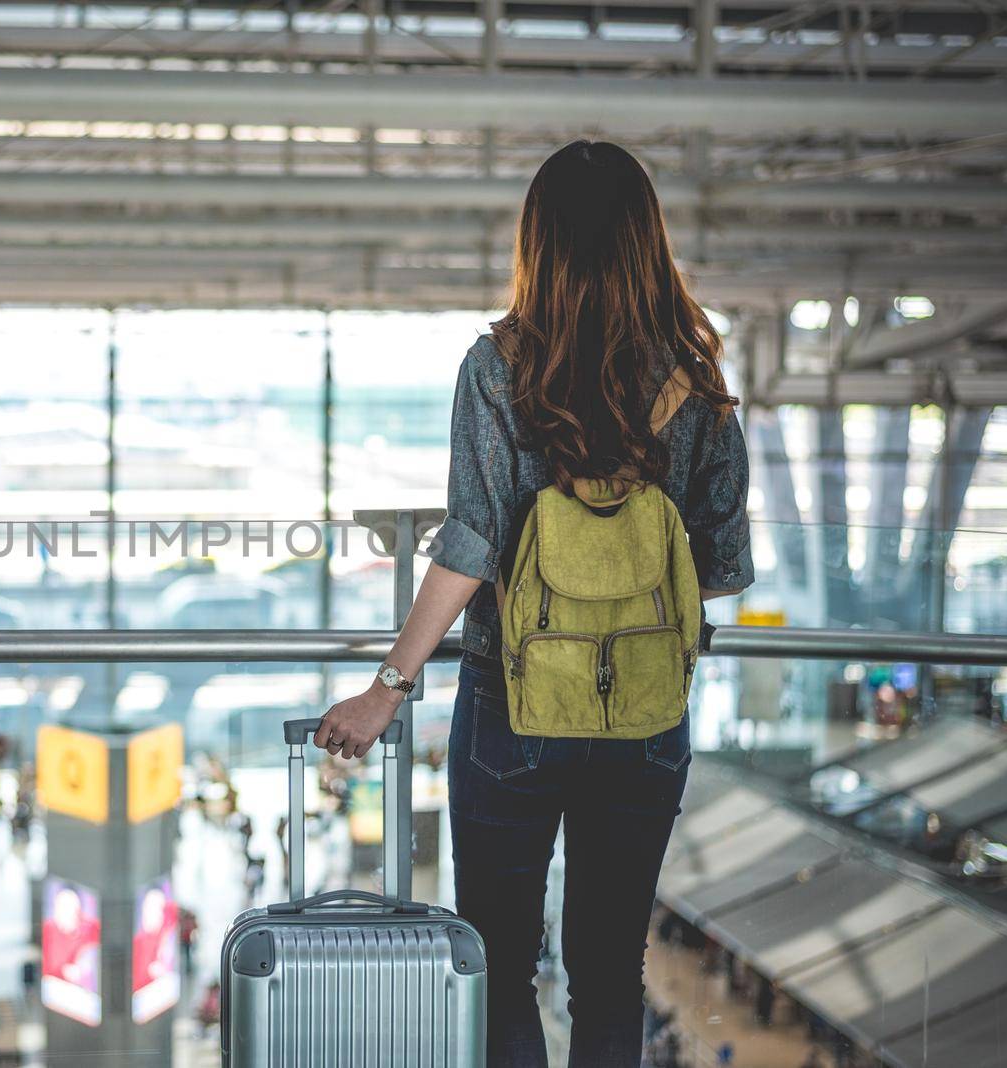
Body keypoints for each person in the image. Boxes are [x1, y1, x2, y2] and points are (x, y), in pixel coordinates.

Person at [315, 140, 753, 1067]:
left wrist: (385, 688)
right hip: (643, 710)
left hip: (512, 705)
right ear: (647, 240)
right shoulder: (698, 379)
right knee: (608, 973)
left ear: (539, 242)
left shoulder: (501, 367)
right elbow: (718, 566)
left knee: (500, 964)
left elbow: (469, 545)